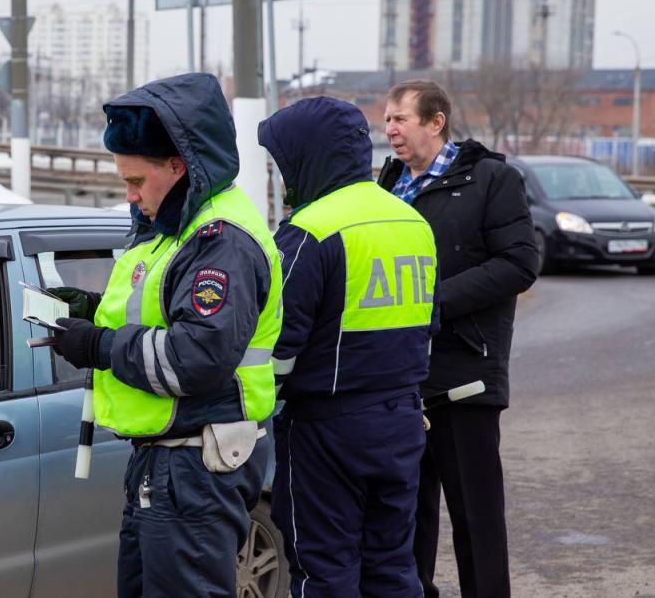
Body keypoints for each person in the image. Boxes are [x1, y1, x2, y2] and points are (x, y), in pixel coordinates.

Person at [48, 72, 283, 598]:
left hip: (195, 466)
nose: (130, 196)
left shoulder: (220, 240)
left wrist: (98, 347)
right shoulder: (176, 226)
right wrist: (89, 315)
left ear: (179, 168)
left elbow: (195, 357)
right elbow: (160, 315)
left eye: (137, 182)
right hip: (167, 463)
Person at [258, 96, 439, 596]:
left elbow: (278, 346)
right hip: (402, 421)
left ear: (308, 158)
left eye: (283, 162)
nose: (281, 175)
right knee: (393, 566)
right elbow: (430, 321)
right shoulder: (412, 222)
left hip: (327, 429)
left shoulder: (310, 230)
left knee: (325, 570)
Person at [378, 80, 538, 598]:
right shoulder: (387, 184)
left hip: (465, 373)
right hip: (399, 378)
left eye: (400, 119)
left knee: (476, 519)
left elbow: (519, 263)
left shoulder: (492, 179)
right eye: (386, 120)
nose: (390, 130)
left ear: (436, 121)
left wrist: (431, 303)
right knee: (407, 518)